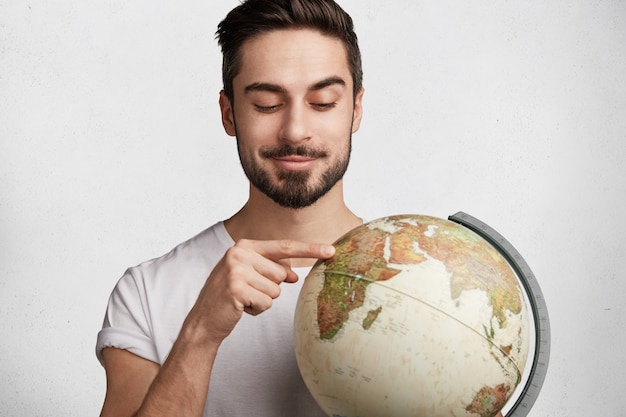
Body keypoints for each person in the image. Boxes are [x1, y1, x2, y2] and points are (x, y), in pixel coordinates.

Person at [96, 0, 364, 416]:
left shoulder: (429, 283)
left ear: (356, 110)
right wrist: (201, 331)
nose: (295, 129)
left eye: (323, 102)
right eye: (266, 105)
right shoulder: (149, 293)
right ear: (229, 114)